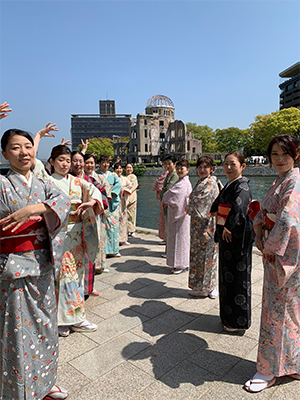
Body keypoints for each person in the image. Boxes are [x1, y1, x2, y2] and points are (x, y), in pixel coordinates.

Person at [0, 127, 70, 399]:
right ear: (4, 154)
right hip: (13, 267)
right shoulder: (3, 184)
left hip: (43, 263)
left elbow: (63, 200)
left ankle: (46, 380)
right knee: (17, 332)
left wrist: (34, 208)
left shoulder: (43, 183)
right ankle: (20, 389)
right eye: (15, 147)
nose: (23, 152)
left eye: (28, 146)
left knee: (45, 326)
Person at [245, 135, 300, 392]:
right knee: (285, 310)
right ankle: (292, 363)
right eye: (274, 154)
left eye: (284, 153)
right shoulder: (280, 181)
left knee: (280, 312)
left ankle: (268, 369)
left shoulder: (295, 181)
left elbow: (289, 219)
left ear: (295, 154)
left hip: (285, 256)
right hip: (274, 251)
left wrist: (271, 246)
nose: (279, 159)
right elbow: (264, 211)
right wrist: (258, 232)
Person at [33, 140, 103, 337]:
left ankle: (74, 318)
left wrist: (90, 202)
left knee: (75, 277)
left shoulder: (76, 181)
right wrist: (38, 136)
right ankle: (64, 320)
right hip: (57, 235)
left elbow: (94, 191)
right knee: (61, 278)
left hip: (76, 235)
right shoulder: (47, 181)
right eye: (60, 160)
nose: (65, 164)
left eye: (67, 160)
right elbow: (34, 165)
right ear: (52, 161)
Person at [211, 151, 255, 333]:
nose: (228, 168)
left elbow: (239, 208)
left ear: (242, 166)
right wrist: (215, 211)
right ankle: (227, 316)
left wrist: (229, 226)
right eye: (226, 164)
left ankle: (238, 321)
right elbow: (219, 203)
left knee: (238, 278)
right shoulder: (230, 184)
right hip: (226, 235)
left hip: (237, 237)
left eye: (233, 164)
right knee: (226, 276)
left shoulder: (242, 187)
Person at [187, 156, 219, 298]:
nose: (202, 170)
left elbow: (203, 204)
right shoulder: (200, 182)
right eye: (199, 167)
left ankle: (211, 287)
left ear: (211, 169)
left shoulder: (211, 183)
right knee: (197, 256)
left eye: (205, 167)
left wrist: (190, 206)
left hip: (208, 225)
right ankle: (198, 286)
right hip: (196, 226)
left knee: (209, 256)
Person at [163, 159, 192, 274]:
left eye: (182, 168)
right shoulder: (181, 182)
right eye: (178, 168)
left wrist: (165, 196)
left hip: (181, 216)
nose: (180, 170)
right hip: (178, 215)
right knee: (177, 239)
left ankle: (181, 263)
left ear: (187, 170)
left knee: (181, 239)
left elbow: (172, 195)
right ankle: (177, 262)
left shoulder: (183, 183)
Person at [83, 153, 111, 274]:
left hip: (98, 212)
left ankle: (100, 264)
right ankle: (89, 266)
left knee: (100, 237)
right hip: (85, 212)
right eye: (87, 162)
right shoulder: (80, 178)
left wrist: (104, 211)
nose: (90, 165)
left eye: (92, 163)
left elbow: (106, 193)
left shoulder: (100, 178)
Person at [98, 155, 121, 257]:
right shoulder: (96, 175)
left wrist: (109, 191)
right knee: (103, 228)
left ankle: (114, 250)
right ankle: (105, 251)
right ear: (99, 163)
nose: (106, 164)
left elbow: (118, 185)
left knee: (114, 227)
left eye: (107, 162)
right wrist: (106, 191)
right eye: (103, 162)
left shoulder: (114, 175)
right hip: (102, 204)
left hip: (113, 204)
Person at [159, 155, 178, 257]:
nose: (167, 166)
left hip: (170, 206)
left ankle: (170, 251)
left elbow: (168, 190)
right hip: (167, 206)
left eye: (169, 163)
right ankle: (169, 250)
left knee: (170, 230)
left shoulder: (174, 175)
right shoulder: (169, 174)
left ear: (174, 164)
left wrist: (162, 194)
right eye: (165, 164)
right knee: (168, 229)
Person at [113, 162, 132, 245]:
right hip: (116, 201)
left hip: (123, 200)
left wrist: (124, 189)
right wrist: (119, 189)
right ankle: (116, 239)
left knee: (124, 219)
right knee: (117, 219)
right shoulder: (112, 178)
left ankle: (124, 238)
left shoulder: (124, 178)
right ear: (114, 170)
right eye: (117, 168)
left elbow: (130, 185)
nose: (119, 170)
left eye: (120, 168)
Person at [153, 168, 168, 245]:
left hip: (168, 202)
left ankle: (166, 239)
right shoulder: (167, 174)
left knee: (166, 220)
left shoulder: (171, 174)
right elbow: (159, 182)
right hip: (165, 201)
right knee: (164, 219)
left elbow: (159, 182)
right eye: (165, 164)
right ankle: (165, 238)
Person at [125, 163, 139, 237]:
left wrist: (126, 190)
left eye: (130, 167)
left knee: (132, 215)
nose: (129, 169)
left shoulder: (133, 176)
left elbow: (133, 186)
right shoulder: (124, 177)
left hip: (131, 198)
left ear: (132, 169)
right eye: (127, 168)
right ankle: (127, 230)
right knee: (126, 215)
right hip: (125, 198)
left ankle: (132, 230)